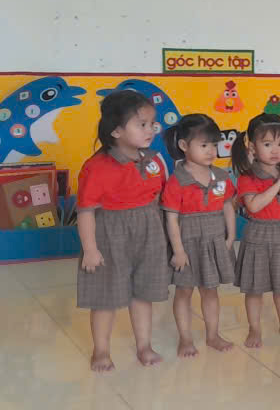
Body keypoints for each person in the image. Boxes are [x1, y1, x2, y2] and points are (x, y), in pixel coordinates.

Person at [76, 90, 171, 371]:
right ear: (116, 131)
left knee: (143, 292)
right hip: (109, 233)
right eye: (141, 124)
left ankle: (144, 346)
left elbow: (157, 196)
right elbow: (86, 211)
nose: (150, 130)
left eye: (152, 123)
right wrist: (90, 250)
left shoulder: (152, 160)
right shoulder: (96, 167)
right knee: (105, 297)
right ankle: (101, 351)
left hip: (148, 230)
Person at [161, 114, 237, 357]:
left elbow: (228, 206)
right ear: (184, 145)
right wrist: (178, 250)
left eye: (214, 144)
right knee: (184, 291)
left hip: (214, 240)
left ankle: (213, 335)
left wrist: (230, 237)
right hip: (187, 243)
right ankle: (185, 339)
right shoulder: (177, 181)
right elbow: (171, 218)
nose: (211, 151)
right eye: (204, 145)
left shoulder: (221, 177)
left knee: (210, 290)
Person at [232, 113, 280, 347]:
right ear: (253, 147)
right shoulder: (247, 177)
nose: (275, 150)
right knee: (255, 288)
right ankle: (254, 329)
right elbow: (253, 206)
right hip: (259, 234)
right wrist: (277, 186)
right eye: (267, 144)